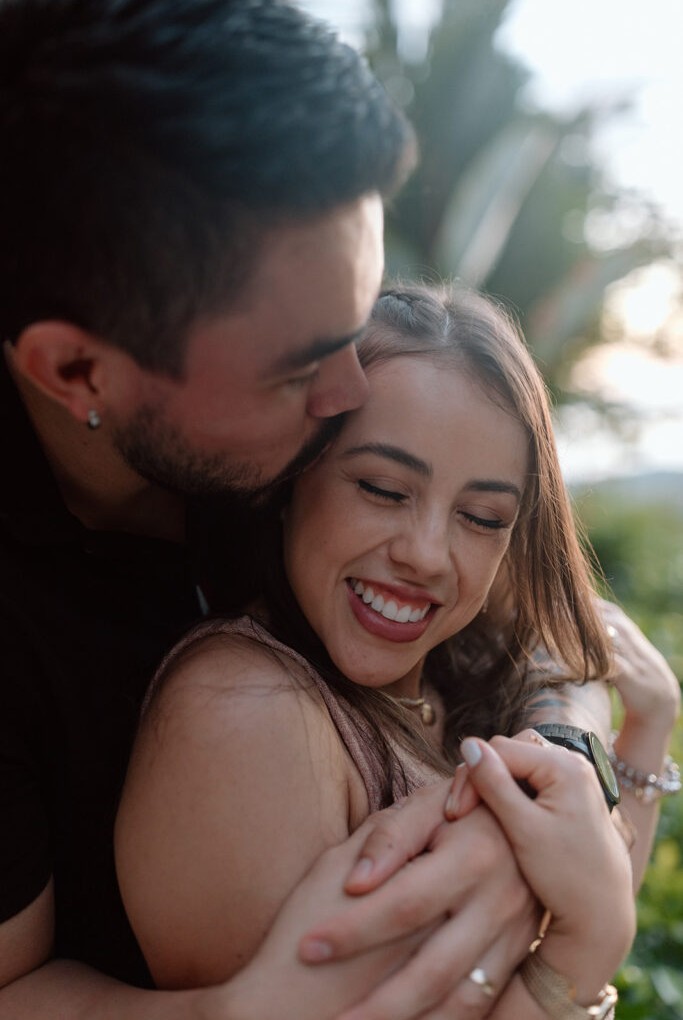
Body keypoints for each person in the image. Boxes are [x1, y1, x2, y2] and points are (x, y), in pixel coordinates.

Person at [1, 0, 677, 1016]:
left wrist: (554, 771)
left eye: (352, 327)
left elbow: (540, 637)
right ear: (77, 370)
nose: (352, 391)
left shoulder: (289, 441)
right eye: (301, 366)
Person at [115, 285, 678, 1019]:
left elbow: (583, 877)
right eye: (382, 489)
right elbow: (576, 930)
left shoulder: (457, 673)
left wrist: (646, 726)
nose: (426, 555)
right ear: (291, 480)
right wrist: (580, 959)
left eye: (480, 517)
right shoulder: (247, 715)